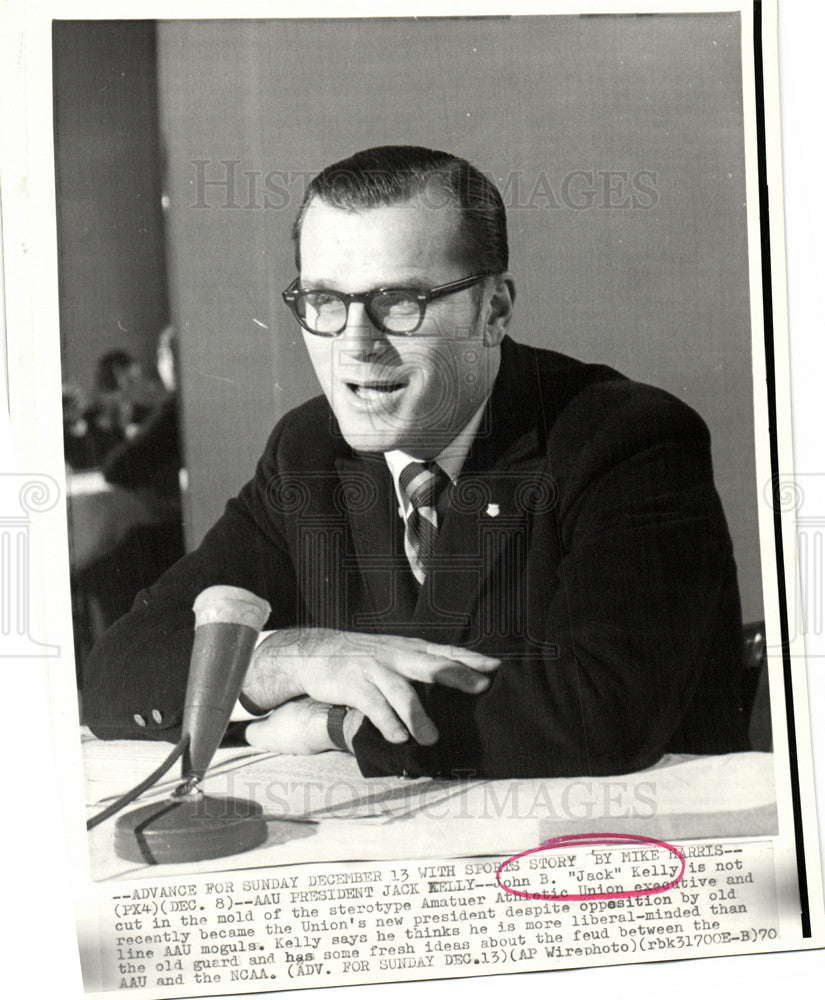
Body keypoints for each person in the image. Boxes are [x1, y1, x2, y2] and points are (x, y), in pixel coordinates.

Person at [84, 146, 748, 779]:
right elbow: (120, 670)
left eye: (398, 303)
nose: (356, 346)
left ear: (493, 310)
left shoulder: (625, 439)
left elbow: (603, 709)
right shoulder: (308, 452)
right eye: (325, 302)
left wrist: (336, 726)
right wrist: (288, 658)